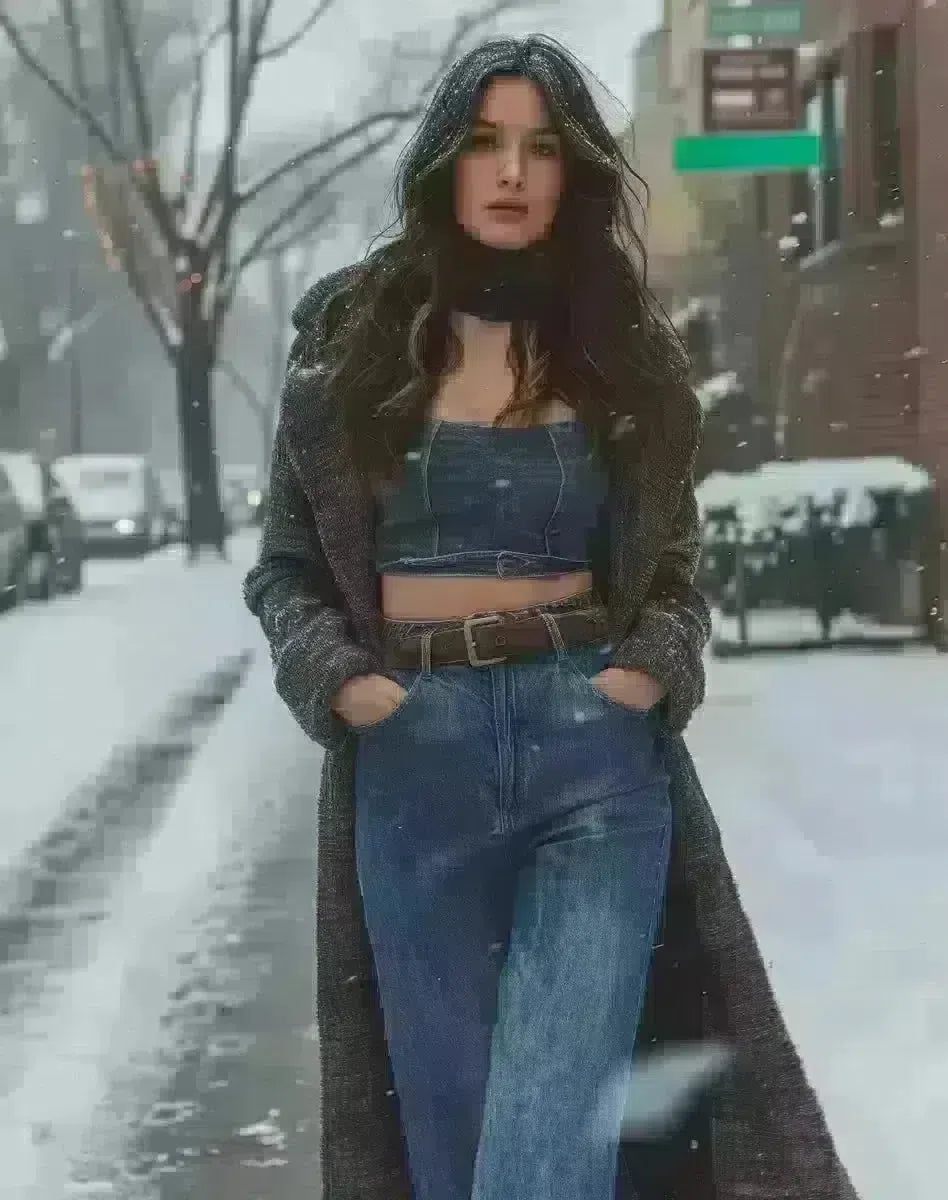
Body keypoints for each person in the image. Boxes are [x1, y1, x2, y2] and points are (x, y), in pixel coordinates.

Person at [244, 34, 857, 1200]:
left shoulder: (621, 348)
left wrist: (648, 667)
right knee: (449, 1151)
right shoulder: (351, 343)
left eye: (540, 146)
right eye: (485, 143)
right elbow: (286, 569)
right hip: (412, 759)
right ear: (445, 162)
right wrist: (337, 678)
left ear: (573, 170)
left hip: (592, 760)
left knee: (546, 1154)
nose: (513, 171)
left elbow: (671, 562)